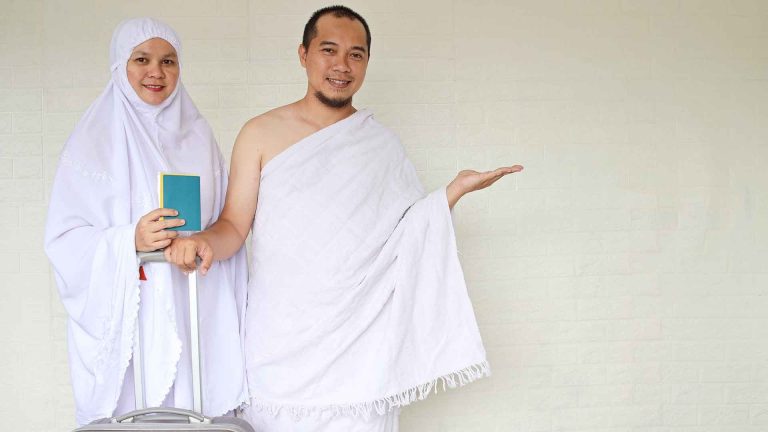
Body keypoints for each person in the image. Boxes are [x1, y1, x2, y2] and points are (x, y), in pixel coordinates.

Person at [166, 5, 523, 431]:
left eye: (356, 54)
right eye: (329, 50)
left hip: (361, 345)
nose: (342, 65)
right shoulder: (260, 133)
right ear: (304, 54)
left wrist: (452, 193)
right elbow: (234, 226)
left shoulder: (382, 145)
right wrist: (203, 241)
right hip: (281, 338)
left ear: (367, 62)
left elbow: (406, 235)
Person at [44, 18, 248, 426]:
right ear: (120, 65)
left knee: (196, 415)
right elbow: (64, 241)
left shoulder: (198, 135)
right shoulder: (93, 141)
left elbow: (223, 221)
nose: (156, 71)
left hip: (193, 305)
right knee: (135, 420)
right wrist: (129, 240)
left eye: (168, 61)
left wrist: (200, 242)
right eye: (142, 59)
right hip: (133, 313)